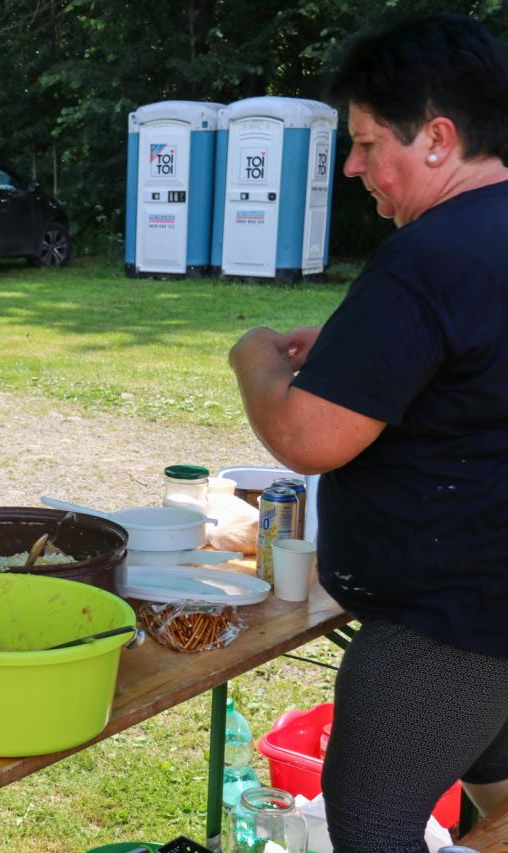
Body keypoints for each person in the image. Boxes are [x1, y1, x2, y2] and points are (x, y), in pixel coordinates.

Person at [229, 13, 508, 850]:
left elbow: (305, 436)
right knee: (500, 799)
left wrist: (254, 358)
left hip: (445, 626)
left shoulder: (429, 256)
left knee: (372, 828)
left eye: (366, 143)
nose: (352, 166)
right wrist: (371, 360)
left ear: (438, 139)